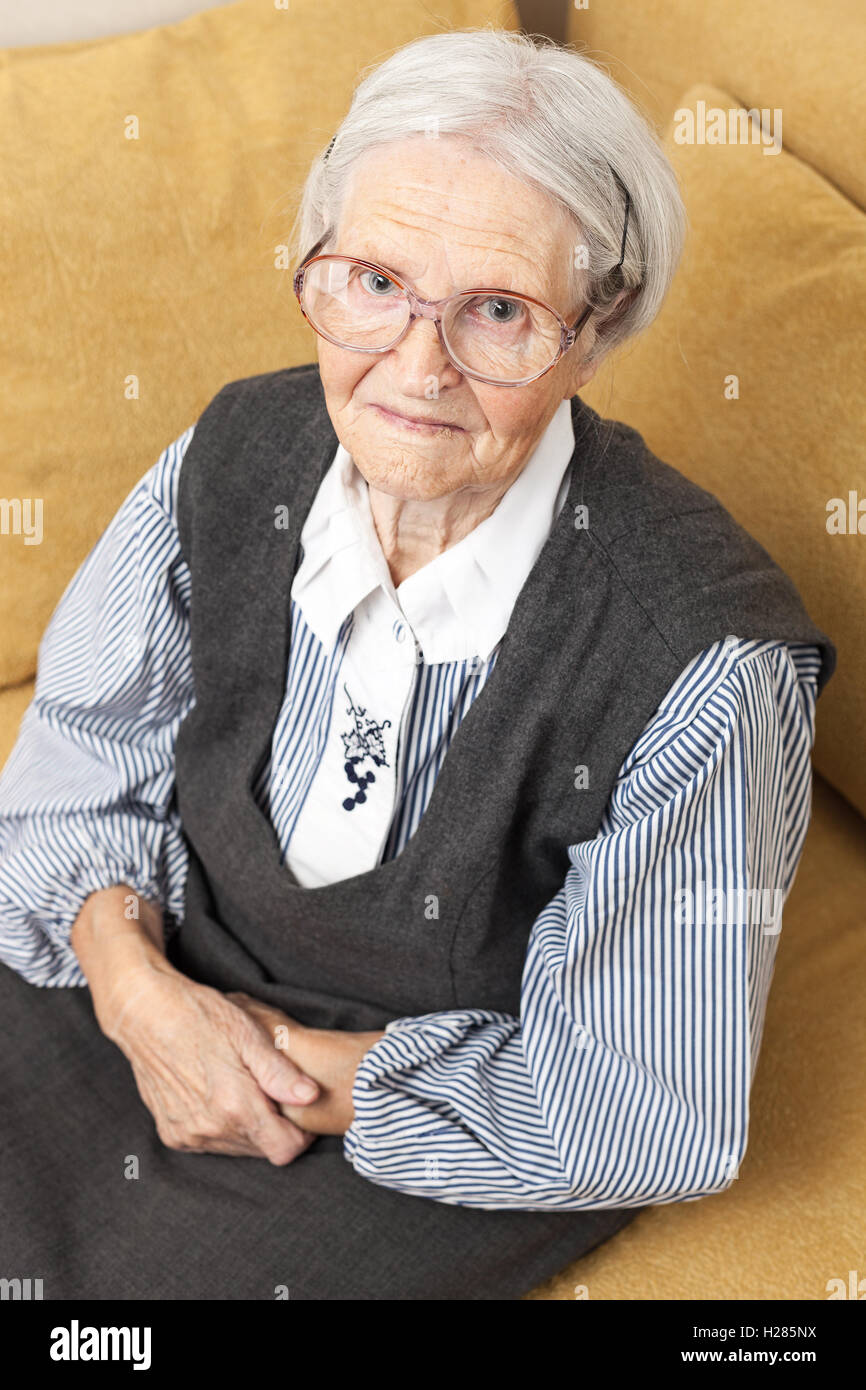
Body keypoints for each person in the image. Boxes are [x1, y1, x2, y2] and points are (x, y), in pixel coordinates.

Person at [0, 28, 835, 1300]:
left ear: (597, 328)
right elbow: (79, 764)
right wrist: (132, 987)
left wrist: (260, 1062)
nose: (414, 369)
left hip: (423, 1121)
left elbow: (634, 1105)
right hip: (140, 970)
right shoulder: (232, 455)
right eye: (374, 281)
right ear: (313, 264)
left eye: (497, 311)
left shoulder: (709, 665)